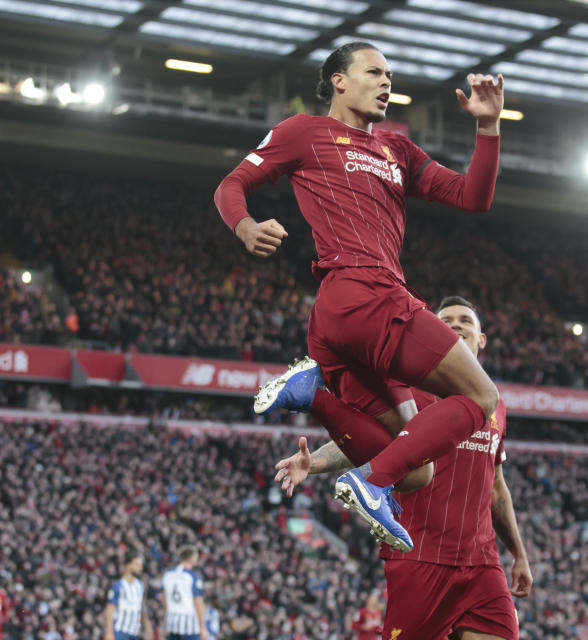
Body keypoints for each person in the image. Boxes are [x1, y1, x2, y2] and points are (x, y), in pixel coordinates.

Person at [215, 41, 505, 551]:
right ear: (339, 80)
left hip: (339, 319)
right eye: (375, 72)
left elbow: (474, 198)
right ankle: (369, 483)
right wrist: (244, 227)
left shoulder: (399, 150)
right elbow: (232, 184)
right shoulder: (303, 131)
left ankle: (314, 394)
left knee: (416, 471)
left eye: (391, 74)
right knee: (482, 397)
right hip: (366, 292)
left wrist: (487, 128)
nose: (387, 82)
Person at [274, 297, 532, 640]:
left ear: (481, 339)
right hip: (420, 558)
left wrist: (518, 553)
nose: (455, 325)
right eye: (446, 322)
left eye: (465, 321)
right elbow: (369, 443)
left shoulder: (495, 404)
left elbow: (496, 486)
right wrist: (315, 463)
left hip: (482, 563)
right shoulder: (413, 394)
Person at [160, 546, 207, 640]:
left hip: (172, 621)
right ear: (192, 558)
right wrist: (202, 627)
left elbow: (163, 599)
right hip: (189, 623)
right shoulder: (193, 576)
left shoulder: (167, 574)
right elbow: (198, 602)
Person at [105, 552, 151, 640]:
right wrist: (109, 633)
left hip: (134, 632)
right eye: (137, 565)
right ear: (128, 565)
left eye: (141, 565)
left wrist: (147, 625)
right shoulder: (118, 585)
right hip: (120, 631)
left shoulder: (140, 585)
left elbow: (141, 606)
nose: (140, 568)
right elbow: (109, 610)